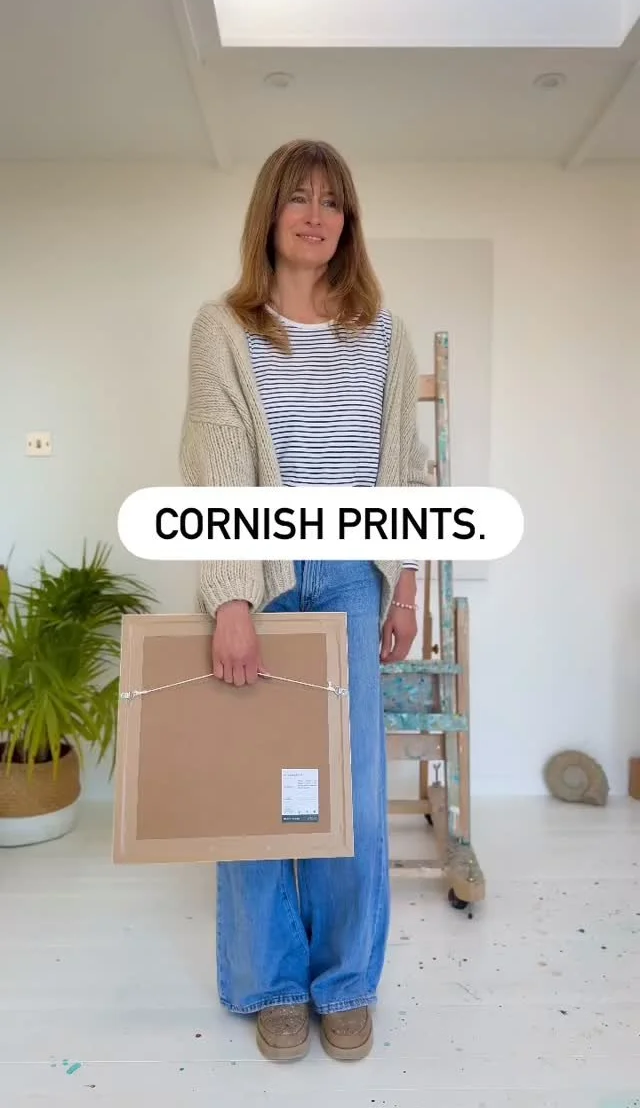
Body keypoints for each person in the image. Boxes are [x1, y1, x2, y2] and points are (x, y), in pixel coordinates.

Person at [179, 139, 432, 1063]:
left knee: (350, 791)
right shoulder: (223, 327)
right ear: (271, 213)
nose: (315, 215)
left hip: (355, 576)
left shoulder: (385, 332)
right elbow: (216, 463)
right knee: (257, 787)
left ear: (347, 220)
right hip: (264, 574)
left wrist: (407, 584)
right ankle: (271, 983)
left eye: (331, 200)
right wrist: (232, 598)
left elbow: (405, 470)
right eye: (298, 197)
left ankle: (346, 981)